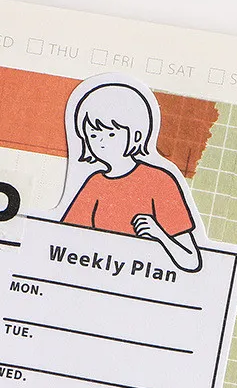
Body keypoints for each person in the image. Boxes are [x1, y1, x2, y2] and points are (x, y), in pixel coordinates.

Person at [61, 82, 201, 272]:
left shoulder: (160, 181)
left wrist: (160, 235)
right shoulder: (95, 184)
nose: (100, 142)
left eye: (111, 134)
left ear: (136, 136)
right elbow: (65, 243)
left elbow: (191, 261)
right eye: (93, 135)